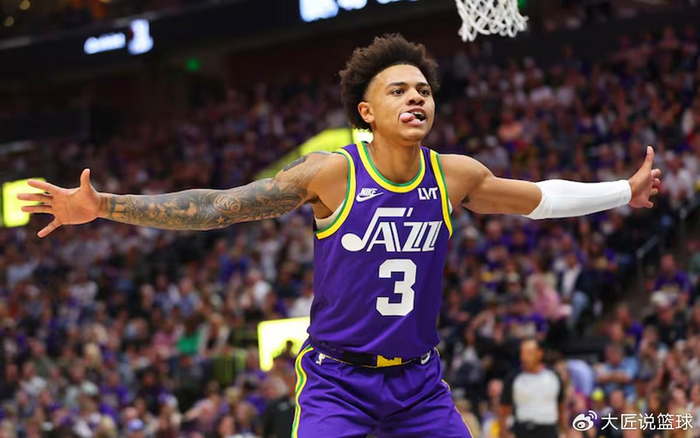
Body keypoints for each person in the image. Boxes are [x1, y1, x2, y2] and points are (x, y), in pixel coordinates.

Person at [18, 34, 661, 437]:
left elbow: (541, 199)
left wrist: (621, 192)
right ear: (367, 111)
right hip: (337, 385)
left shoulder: (454, 175)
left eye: (423, 90)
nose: (416, 99)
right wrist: (106, 205)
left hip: (420, 386)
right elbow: (217, 208)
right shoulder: (331, 174)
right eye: (398, 90)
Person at [499, 339, 566, 438]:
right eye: (523, 353)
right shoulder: (513, 378)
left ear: (540, 353)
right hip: (522, 430)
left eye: (529, 353)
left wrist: (564, 431)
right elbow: (504, 408)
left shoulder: (553, 376)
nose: (525, 357)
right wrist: (503, 433)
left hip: (549, 430)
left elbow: (561, 407)